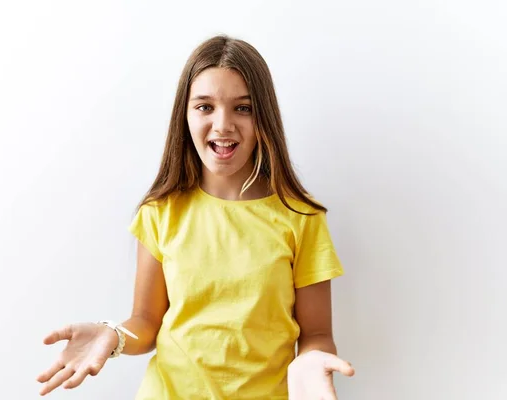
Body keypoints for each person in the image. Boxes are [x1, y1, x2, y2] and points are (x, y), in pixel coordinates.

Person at [36, 34, 354, 399]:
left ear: (263, 116)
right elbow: (147, 322)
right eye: (205, 107)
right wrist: (114, 335)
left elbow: (316, 334)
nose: (223, 125)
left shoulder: (301, 216)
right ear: (184, 115)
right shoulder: (161, 212)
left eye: (243, 108)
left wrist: (313, 363)